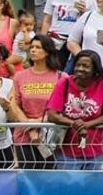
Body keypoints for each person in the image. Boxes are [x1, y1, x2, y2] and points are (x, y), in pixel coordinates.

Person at [46, 50, 103, 169]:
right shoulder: (64, 82)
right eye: (78, 65)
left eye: (85, 66)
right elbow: (52, 114)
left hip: (95, 148)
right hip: (67, 150)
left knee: (92, 186)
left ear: (95, 69)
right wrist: (74, 124)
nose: (80, 69)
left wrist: (86, 125)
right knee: (68, 186)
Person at [9, 34, 63, 169]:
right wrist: (29, 126)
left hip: (50, 137)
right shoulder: (20, 76)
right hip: (24, 137)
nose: (33, 50)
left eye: (38, 47)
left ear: (47, 51)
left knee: (49, 179)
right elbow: (14, 105)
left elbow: (62, 108)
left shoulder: (61, 77)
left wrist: (39, 123)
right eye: (31, 47)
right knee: (27, 178)